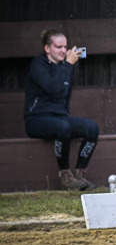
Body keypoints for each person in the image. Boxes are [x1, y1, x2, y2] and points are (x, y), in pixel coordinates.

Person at [24, 30, 99, 190]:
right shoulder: (38, 65)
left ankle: (79, 174)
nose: (64, 51)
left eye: (65, 47)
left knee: (92, 128)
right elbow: (54, 89)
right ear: (47, 48)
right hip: (36, 119)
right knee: (62, 127)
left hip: (59, 118)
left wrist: (66, 67)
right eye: (59, 47)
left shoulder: (64, 67)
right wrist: (67, 65)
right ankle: (65, 174)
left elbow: (64, 93)